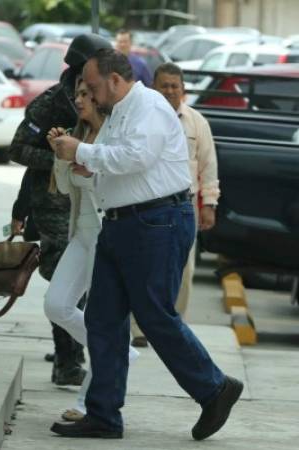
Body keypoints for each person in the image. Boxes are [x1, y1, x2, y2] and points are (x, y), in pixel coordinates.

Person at [50, 49, 242, 441]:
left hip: (157, 223)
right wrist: (92, 165)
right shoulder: (120, 111)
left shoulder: (149, 106)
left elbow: (137, 156)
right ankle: (103, 414)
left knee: (154, 316)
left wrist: (83, 151)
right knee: (102, 320)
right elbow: (123, 162)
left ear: (115, 81)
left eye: (93, 84)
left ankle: (215, 388)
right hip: (122, 224)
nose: (88, 91)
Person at [9, 33, 112, 386]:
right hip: (54, 204)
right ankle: (68, 360)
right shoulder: (52, 102)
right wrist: (57, 156)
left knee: (87, 286)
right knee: (63, 282)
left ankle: (78, 351)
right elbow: (18, 149)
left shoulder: (108, 99)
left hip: (94, 204)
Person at [45, 77, 139, 422]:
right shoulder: (78, 135)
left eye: (85, 94)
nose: (79, 100)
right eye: (77, 95)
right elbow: (65, 190)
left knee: (102, 319)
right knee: (56, 304)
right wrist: (61, 157)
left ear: (99, 98)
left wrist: (91, 166)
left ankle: (86, 403)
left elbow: (121, 179)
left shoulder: (115, 136)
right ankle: (121, 350)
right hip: (81, 234)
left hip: (107, 235)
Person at [130, 62, 220, 348]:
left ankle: (174, 328)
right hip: (146, 205)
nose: (169, 91)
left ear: (183, 90)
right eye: (164, 85)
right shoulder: (140, 119)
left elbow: (209, 166)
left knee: (183, 270)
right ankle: (138, 329)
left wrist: (210, 204)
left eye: (174, 86)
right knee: (144, 268)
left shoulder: (196, 123)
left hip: (185, 208)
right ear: (153, 88)